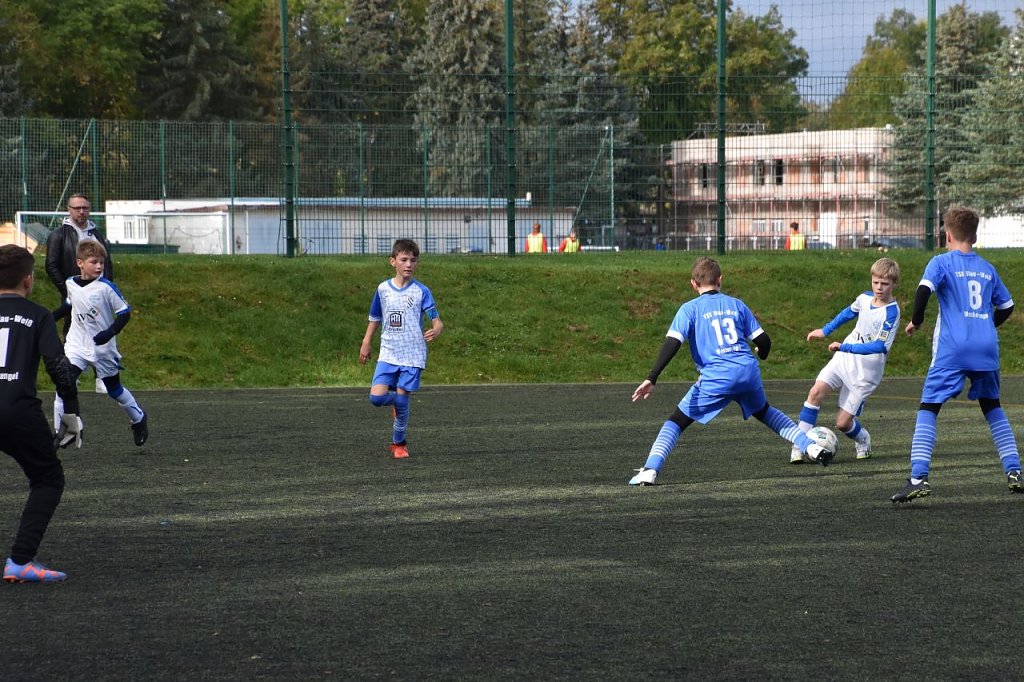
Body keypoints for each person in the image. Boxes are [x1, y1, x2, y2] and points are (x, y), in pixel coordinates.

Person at [628, 256, 832, 486]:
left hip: (717, 377)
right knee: (764, 412)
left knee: (676, 422)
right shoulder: (736, 304)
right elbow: (764, 341)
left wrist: (652, 377)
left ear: (693, 284)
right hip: (747, 371)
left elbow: (672, 343)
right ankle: (811, 447)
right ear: (720, 280)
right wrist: (762, 353)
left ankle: (650, 470)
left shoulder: (689, 309)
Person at [891, 208, 1021, 502]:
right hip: (986, 347)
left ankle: (918, 478)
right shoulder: (987, 268)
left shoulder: (941, 262)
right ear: (974, 237)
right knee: (992, 407)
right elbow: (1007, 306)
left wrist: (916, 321)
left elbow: (923, 291)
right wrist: (986, 326)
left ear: (947, 236)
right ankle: (1014, 471)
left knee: (929, 407)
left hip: (953, 348)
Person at [0, 244, 83, 583]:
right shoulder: (38, 315)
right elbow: (58, 366)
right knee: (48, 478)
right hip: (17, 411)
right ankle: (20, 561)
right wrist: (71, 413)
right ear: (28, 279)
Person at [789, 257, 901, 464]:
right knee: (815, 392)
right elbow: (847, 314)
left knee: (842, 423)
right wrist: (825, 331)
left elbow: (879, 346)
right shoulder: (864, 298)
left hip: (866, 373)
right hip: (843, 359)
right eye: (875, 282)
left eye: (884, 284)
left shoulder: (891, 313)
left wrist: (844, 346)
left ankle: (863, 438)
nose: (879, 287)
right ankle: (799, 446)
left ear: (894, 284)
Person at [52, 240, 148, 447]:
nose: (99, 266)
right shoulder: (70, 283)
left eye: (101, 263)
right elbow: (69, 304)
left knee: (114, 390)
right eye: (94, 262)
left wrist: (109, 332)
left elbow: (125, 313)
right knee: (63, 384)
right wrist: (50, 319)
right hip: (77, 344)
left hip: (102, 348)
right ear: (80, 262)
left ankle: (139, 418)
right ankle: (61, 432)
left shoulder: (106, 287)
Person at [359, 239, 444, 459]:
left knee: (403, 400)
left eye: (413, 260)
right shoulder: (383, 289)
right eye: (404, 259)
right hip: (388, 353)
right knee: (376, 398)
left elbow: (437, 320)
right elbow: (375, 317)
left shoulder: (422, 291)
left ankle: (399, 444)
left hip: (412, 355)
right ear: (392, 261)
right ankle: (398, 403)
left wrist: (437, 328)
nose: (408, 264)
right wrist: (366, 342)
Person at [45, 193, 114, 394]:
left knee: (101, 332)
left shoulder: (96, 234)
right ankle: (70, 376)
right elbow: (51, 265)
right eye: (77, 208)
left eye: (85, 208)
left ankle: (102, 377)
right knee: (72, 334)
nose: (81, 212)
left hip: (98, 294)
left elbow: (107, 263)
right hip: (73, 294)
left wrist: (108, 287)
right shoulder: (59, 235)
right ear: (69, 210)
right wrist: (68, 289)